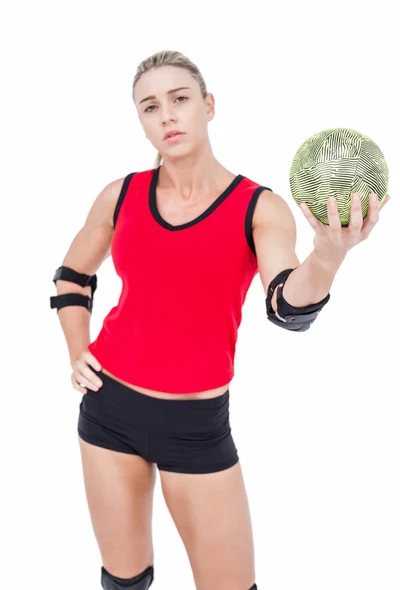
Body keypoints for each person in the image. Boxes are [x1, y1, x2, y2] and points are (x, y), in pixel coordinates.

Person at [50, 50, 389, 590]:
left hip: (197, 430)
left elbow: (286, 306)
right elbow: (72, 277)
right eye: (150, 107)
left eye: (180, 99)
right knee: (123, 580)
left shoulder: (259, 207)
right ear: (140, 122)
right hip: (108, 413)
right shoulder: (120, 196)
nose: (167, 115)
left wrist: (327, 255)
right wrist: (77, 349)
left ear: (208, 107)